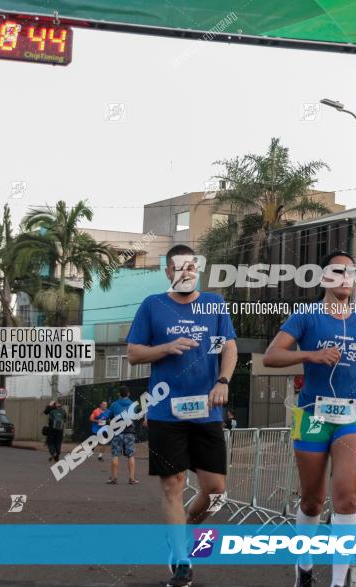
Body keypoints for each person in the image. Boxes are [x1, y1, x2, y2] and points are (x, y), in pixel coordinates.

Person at [263, 251, 356, 587]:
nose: (346, 277)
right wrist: (311, 354)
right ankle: (304, 567)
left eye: (351, 272)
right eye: (338, 271)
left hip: (352, 413)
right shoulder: (306, 316)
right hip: (313, 414)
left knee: (347, 498)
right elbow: (272, 356)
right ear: (324, 279)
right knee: (312, 500)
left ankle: (338, 581)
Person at [126, 244, 237, 587]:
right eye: (179, 267)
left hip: (206, 411)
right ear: (168, 272)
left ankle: (181, 531)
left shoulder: (214, 304)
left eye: (192, 266)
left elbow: (229, 347)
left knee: (216, 491)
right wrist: (165, 348)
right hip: (165, 411)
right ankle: (182, 561)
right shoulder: (153, 306)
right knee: (172, 486)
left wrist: (223, 380)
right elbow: (132, 353)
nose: (186, 271)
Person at [107, 387, 138, 485]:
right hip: (130, 432)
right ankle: (131, 478)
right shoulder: (133, 404)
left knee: (115, 454)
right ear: (128, 394)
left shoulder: (114, 405)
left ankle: (114, 478)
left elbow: (108, 417)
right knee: (131, 455)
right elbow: (136, 417)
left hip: (117, 432)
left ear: (119, 394)